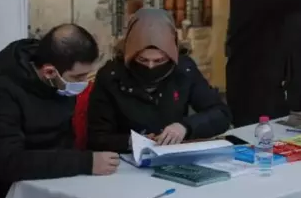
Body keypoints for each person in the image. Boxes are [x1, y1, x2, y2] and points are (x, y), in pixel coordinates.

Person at [0, 24, 120, 187]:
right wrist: (85, 163)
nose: (83, 83)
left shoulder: (60, 86)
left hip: (60, 183)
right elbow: (7, 162)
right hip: (10, 194)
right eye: (78, 77)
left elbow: (65, 142)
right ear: (49, 72)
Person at [87, 8, 231, 152]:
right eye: (142, 59)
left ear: (172, 55)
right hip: (126, 160)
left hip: (172, 154)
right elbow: (96, 137)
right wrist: (132, 141)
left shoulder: (183, 70)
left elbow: (220, 114)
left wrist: (185, 127)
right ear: (129, 53)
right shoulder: (111, 76)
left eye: (159, 60)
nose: (150, 66)